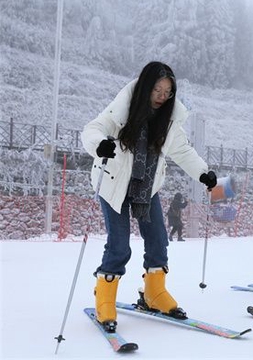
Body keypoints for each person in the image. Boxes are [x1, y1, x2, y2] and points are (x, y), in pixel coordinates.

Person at [81, 61, 218, 332]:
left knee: (158, 240)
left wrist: (203, 173)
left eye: (167, 91)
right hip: (113, 184)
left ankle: (154, 293)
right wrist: (101, 145)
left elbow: (182, 151)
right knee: (119, 245)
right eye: (157, 89)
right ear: (146, 87)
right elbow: (93, 129)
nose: (161, 96)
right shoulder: (122, 110)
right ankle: (105, 298)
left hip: (147, 187)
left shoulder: (168, 122)